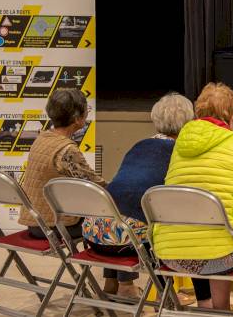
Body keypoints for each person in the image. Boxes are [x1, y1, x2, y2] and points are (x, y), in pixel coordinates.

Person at [153, 83, 233, 312]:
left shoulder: (179, 146)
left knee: (219, 234)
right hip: (222, 256)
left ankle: (220, 311)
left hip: (171, 254)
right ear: (231, 116)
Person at [81, 93, 196, 300]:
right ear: (189, 121)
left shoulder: (139, 145)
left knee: (124, 209)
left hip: (93, 232)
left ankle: (112, 283)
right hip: (125, 242)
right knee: (165, 227)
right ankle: (161, 294)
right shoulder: (178, 153)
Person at [18, 89, 106, 238]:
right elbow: (95, 186)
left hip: (35, 221)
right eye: (86, 110)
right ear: (77, 118)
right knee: (113, 219)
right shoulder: (66, 150)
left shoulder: (42, 138)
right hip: (55, 226)